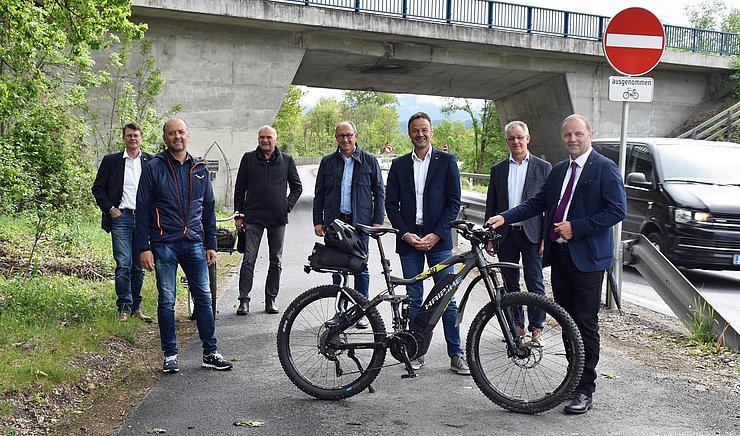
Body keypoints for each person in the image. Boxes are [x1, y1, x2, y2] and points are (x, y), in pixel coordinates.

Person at [487, 114, 626, 414]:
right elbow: (537, 202)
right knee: (567, 323)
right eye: (567, 135)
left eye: (578, 134)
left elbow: (617, 210)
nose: (572, 140)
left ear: (591, 134)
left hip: (588, 259)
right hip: (561, 257)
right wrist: (505, 217)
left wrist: (577, 227)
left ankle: (585, 389)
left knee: (585, 323)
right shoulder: (560, 169)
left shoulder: (605, 168)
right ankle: (573, 381)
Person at [135, 118, 233, 373]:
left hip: (193, 243)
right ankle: (170, 354)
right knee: (167, 300)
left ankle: (210, 352)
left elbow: (208, 208)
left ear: (188, 136)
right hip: (163, 243)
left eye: (180, 132)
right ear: (165, 138)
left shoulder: (199, 168)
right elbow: (142, 209)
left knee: (204, 297)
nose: (176, 137)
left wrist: (211, 242)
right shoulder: (153, 167)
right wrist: (143, 247)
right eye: (171, 133)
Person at [385, 112, 469, 375]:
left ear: (431, 132)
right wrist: (405, 233)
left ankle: (456, 354)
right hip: (410, 240)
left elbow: (454, 202)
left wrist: (438, 234)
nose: (420, 135)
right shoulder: (399, 165)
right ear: (409, 134)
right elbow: (390, 204)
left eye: (424, 130)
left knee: (447, 299)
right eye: (415, 131)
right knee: (415, 298)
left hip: (439, 241)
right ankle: (417, 353)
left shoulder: (446, 161)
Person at [313, 121, 385, 328]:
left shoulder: (369, 161)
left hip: (360, 224)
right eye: (341, 136)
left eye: (348, 135)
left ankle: (361, 312)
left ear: (356, 136)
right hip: (335, 224)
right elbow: (319, 193)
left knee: (361, 268)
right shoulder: (327, 162)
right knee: (336, 268)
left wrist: (377, 221)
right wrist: (318, 221)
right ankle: (340, 312)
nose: (345, 139)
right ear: (336, 138)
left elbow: (379, 192)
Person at [484, 121, 551, 342]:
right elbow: (491, 204)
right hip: (505, 235)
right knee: (510, 283)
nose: (516, 142)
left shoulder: (544, 167)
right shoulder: (498, 169)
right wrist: (489, 237)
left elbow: (549, 206)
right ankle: (517, 327)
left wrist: (545, 237)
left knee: (535, 282)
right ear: (507, 142)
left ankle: (536, 328)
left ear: (527, 138)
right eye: (511, 138)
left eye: (520, 137)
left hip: (532, 234)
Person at [233, 125, 302, 315]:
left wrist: (286, 206)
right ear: (258, 139)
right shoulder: (248, 159)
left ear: (275, 139)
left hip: (277, 219)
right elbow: (239, 189)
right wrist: (239, 214)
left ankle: (271, 300)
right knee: (249, 259)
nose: (265, 140)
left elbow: (297, 187)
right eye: (262, 137)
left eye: (268, 137)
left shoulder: (286, 160)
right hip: (252, 217)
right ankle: (243, 300)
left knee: (275, 261)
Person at [92, 123, 154, 323]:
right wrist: (110, 209)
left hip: (144, 219)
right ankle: (124, 308)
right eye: (129, 135)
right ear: (124, 138)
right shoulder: (112, 161)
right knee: (123, 264)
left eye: (136, 135)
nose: (133, 138)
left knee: (138, 266)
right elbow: (98, 188)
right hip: (121, 218)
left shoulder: (151, 162)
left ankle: (136, 307)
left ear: (141, 138)